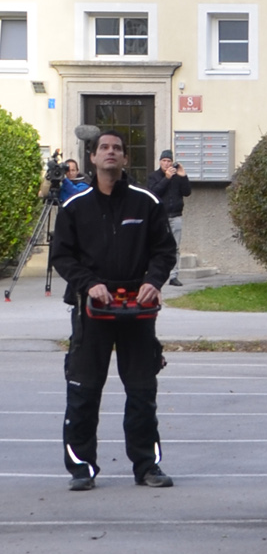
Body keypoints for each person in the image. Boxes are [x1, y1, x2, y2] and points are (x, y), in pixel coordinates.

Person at [52, 130, 178, 489]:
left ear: (125, 158)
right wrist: (88, 283)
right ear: (92, 157)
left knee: (142, 392)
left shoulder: (146, 202)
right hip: (92, 310)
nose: (110, 152)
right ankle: (81, 469)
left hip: (137, 309)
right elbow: (62, 255)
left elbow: (164, 251)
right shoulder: (75, 206)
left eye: (117, 148)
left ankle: (147, 466)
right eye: (104, 148)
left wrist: (154, 280)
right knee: (83, 391)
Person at [151, 151, 192, 287]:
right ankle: (156, 274)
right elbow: (153, 193)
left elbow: (187, 192)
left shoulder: (177, 177)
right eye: (164, 161)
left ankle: (173, 276)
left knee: (175, 248)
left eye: (169, 161)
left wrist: (183, 176)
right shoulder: (154, 176)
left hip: (176, 216)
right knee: (157, 246)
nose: (166, 164)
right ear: (160, 162)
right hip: (160, 218)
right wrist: (166, 179)